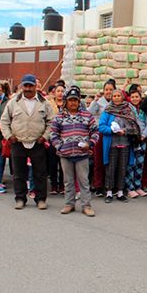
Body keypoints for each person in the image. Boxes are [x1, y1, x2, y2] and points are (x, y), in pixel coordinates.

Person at [0, 74, 55, 210]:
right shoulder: (13, 102)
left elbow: (52, 122)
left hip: (37, 142)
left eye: (31, 86)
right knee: (19, 173)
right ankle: (20, 198)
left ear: (35, 86)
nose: (28, 88)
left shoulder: (44, 103)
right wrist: (9, 136)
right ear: (21, 86)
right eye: (26, 86)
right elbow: (4, 121)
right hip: (18, 141)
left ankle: (41, 199)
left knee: (40, 173)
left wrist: (45, 137)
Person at [50, 87, 99, 217]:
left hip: (82, 155)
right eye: (70, 100)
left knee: (84, 181)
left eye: (75, 100)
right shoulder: (59, 117)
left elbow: (95, 132)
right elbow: (53, 134)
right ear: (66, 101)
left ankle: (86, 206)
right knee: (68, 181)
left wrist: (90, 144)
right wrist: (59, 147)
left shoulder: (87, 115)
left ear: (79, 102)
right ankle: (69, 204)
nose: (73, 103)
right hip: (65, 155)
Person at [99, 89, 140, 203]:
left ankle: (121, 192)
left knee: (123, 168)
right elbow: (101, 127)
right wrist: (113, 131)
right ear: (112, 98)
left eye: (118, 96)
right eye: (114, 96)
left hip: (125, 144)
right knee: (111, 169)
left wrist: (125, 131)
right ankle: (109, 192)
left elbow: (135, 127)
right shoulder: (108, 111)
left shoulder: (128, 110)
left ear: (122, 97)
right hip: (111, 144)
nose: (116, 98)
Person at [88, 79, 116, 196]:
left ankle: (109, 185)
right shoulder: (99, 102)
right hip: (100, 134)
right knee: (98, 160)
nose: (108, 92)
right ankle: (98, 185)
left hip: (113, 134)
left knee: (111, 161)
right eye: (106, 89)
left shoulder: (116, 102)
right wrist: (95, 101)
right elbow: (89, 112)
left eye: (111, 89)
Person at [126, 89, 147, 198]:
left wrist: (144, 135)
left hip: (142, 140)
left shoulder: (144, 110)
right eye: (133, 97)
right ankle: (130, 188)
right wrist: (135, 135)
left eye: (137, 97)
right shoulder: (127, 109)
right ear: (129, 99)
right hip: (131, 140)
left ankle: (138, 186)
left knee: (140, 164)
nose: (135, 99)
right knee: (130, 164)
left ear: (140, 98)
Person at [48, 84, 65, 194]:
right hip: (52, 137)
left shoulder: (67, 104)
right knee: (53, 162)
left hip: (65, 137)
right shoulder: (49, 104)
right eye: (58, 91)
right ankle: (54, 185)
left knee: (63, 162)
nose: (60, 93)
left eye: (62, 91)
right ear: (54, 93)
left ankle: (62, 185)